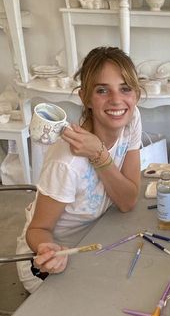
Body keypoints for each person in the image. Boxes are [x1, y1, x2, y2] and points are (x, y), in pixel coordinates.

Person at [16, 46, 142, 293]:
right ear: (85, 97)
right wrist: (47, 249)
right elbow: (37, 229)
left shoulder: (131, 119)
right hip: (51, 265)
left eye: (125, 88)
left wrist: (99, 155)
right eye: (102, 90)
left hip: (94, 240)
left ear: (136, 94)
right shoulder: (66, 162)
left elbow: (128, 200)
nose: (117, 100)